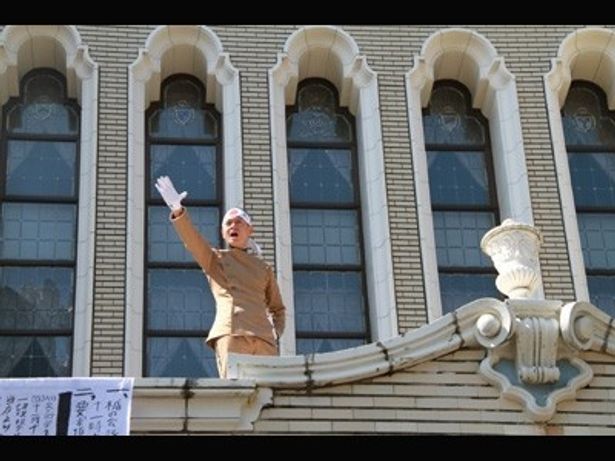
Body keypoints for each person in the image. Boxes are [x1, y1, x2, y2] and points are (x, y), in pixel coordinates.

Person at [155, 175, 286, 378]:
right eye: (229, 224)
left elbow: (277, 308)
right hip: (231, 332)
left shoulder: (263, 268)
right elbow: (193, 240)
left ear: (249, 230)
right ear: (223, 232)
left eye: (239, 222)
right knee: (235, 394)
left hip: (264, 339)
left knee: (270, 394)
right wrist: (178, 211)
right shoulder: (214, 259)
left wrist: (275, 333)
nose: (234, 226)